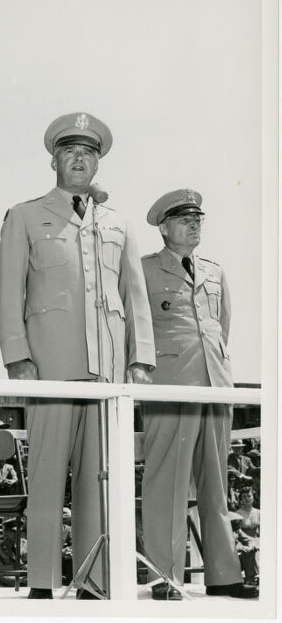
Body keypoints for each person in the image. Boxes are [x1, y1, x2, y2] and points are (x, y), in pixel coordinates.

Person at [0, 112, 155, 599]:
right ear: (54, 160)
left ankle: (95, 582)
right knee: (46, 477)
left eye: (88, 153)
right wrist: (17, 357)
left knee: (100, 479)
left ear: (98, 162)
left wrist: (141, 360)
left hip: (107, 372)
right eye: (70, 152)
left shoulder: (118, 222)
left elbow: (135, 296)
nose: (79, 160)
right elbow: (9, 293)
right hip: (50, 367)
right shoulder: (25, 215)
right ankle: (42, 583)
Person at [140, 189, 257, 599]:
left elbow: (222, 327)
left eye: (198, 219)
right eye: (184, 219)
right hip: (171, 384)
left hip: (215, 383)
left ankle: (224, 574)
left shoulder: (214, 270)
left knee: (215, 483)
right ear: (164, 227)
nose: (194, 225)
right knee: (166, 482)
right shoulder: (143, 271)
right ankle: (164, 576)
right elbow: (136, 329)